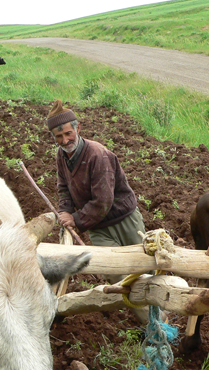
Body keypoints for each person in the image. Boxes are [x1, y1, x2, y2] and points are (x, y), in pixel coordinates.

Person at [47, 99, 150, 322]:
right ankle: (152, 325)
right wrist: (65, 212)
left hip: (124, 220)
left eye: (67, 134)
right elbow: (63, 186)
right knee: (118, 277)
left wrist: (76, 218)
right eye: (58, 137)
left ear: (77, 128)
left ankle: (160, 320)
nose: (65, 140)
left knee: (143, 271)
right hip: (98, 227)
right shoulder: (61, 155)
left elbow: (103, 201)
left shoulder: (97, 154)